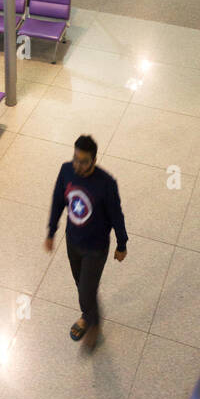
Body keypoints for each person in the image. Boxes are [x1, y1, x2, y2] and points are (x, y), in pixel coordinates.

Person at [45, 134, 128, 349]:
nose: (77, 165)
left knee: (86, 290)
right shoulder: (66, 171)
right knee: (81, 285)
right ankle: (87, 314)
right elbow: (57, 201)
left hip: (96, 247)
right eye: (75, 158)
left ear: (94, 160)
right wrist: (51, 231)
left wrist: (121, 244)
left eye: (83, 161)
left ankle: (93, 324)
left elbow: (116, 216)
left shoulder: (106, 184)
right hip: (73, 241)